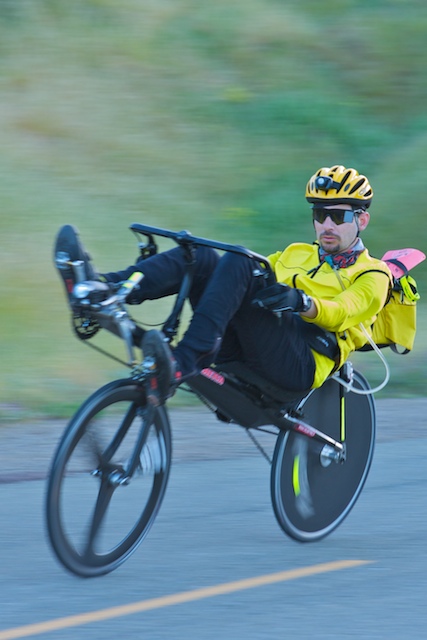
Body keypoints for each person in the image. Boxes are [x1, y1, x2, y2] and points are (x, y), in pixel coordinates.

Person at [58, 165, 392, 407]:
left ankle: (183, 361)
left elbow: (343, 312)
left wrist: (304, 302)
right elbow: (240, 282)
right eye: (320, 214)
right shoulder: (296, 254)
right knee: (202, 256)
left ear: (361, 220)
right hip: (247, 347)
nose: (326, 224)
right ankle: (101, 291)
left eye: (339, 216)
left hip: (300, 365)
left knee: (240, 259)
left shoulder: (374, 274)